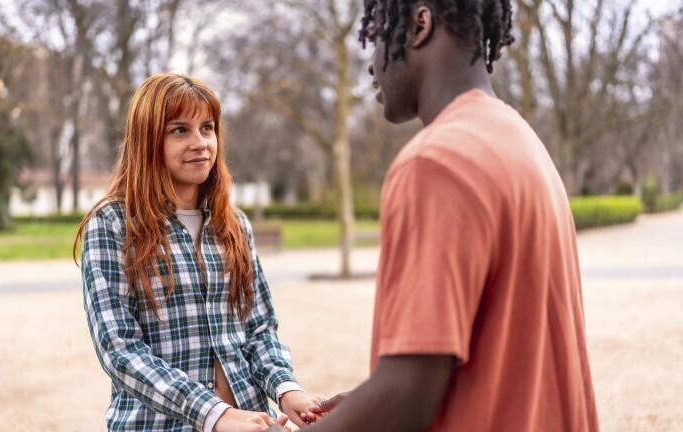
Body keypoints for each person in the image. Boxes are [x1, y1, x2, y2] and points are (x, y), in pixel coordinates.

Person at [265, 0, 599, 431]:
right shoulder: (521, 142)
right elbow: (474, 359)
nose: (371, 64)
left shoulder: (437, 162)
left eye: (377, 34)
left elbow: (408, 393)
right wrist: (364, 405)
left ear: (419, 24)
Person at [75, 73, 320, 432]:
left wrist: (287, 391)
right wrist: (214, 414)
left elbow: (258, 330)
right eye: (179, 130)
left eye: (207, 127)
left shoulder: (233, 225)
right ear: (148, 140)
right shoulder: (112, 225)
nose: (200, 143)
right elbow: (120, 350)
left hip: (250, 422)